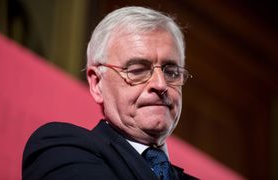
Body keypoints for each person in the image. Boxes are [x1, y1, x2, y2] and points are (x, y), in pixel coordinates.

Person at [22, 6, 195, 180]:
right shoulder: (61, 151)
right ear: (97, 84)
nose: (160, 84)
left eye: (171, 72)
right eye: (137, 70)